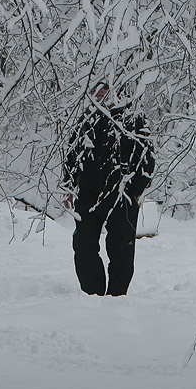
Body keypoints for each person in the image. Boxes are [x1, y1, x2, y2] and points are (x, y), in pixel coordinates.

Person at [64, 82, 154, 296]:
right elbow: (72, 155)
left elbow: (147, 159)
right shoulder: (86, 120)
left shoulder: (134, 120)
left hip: (122, 195)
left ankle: (117, 296)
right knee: (83, 243)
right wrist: (69, 185)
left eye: (107, 92)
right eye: (99, 93)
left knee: (122, 249)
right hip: (89, 194)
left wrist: (134, 189)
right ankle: (93, 293)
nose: (103, 97)